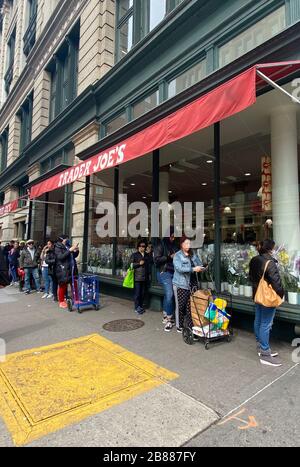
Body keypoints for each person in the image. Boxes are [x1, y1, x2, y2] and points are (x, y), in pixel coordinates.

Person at [249, 239, 285, 367]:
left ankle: (260, 346)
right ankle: (265, 353)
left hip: (257, 295)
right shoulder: (270, 262)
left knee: (258, 320)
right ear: (270, 249)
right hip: (267, 297)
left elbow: (250, 278)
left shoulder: (254, 260)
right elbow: (277, 283)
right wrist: (281, 294)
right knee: (266, 323)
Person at [173, 237, 205, 333]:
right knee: (181, 306)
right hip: (181, 284)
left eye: (189, 243)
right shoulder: (177, 255)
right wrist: (193, 269)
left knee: (191, 305)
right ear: (182, 244)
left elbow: (199, 263)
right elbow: (179, 268)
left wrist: (202, 267)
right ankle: (179, 325)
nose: (188, 245)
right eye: (186, 243)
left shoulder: (193, 254)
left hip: (193, 283)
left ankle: (191, 325)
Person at [154, 227, 179, 332]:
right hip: (164, 272)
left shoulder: (175, 245)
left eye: (174, 236)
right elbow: (156, 260)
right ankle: (169, 319)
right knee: (170, 294)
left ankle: (165, 315)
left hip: (174, 272)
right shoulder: (161, 244)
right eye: (172, 236)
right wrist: (169, 257)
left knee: (168, 295)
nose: (173, 238)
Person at [55, 235, 79, 309]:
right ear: (62, 239)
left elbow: (74, 256)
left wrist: (76, 251)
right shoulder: (58, 247)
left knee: (74, 285)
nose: (68, 240)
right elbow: (60, 257)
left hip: (72, 268)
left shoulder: (68, 246)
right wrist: (70, 250)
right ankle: (61, 301)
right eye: (66, 239)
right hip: (63, 269)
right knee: (63, 285)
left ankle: (76, 299)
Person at [130, 240, 152, 315]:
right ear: (138, 247)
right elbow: (131, 265)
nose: (142, 247)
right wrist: (139, 263)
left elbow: (151, 262)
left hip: (145, 277)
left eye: (144, 246)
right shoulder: (135, 255)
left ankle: (140, 306)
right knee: (137, 293)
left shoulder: (146, 255)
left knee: (142, 293)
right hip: (137, 277)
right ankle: (136, 307)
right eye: (141, 246)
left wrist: (150, 252)